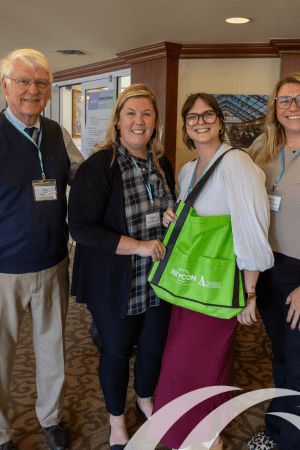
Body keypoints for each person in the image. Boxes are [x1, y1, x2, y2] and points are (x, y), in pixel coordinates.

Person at [151, 93, 274, 450]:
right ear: (186, 126)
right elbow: (192, 222)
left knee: (190, 364)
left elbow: (252, 229)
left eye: (208, 115)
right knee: (201, 361)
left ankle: (197, 438)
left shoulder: (237, 163)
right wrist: (170, 218)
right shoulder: (188, 169)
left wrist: (250, 294)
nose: (200, 121)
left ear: (220, 122)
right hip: (189, 284)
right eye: (192, 116)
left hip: (219, 287)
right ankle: (210, 432)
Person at [68, 83, 175, 450]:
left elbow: (163, 210)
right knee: (115, 350)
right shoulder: (100, 165)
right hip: (115, 281)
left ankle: (145, 400)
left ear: (156, 121)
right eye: (131, 113)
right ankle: (116, 421)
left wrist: (169, 218)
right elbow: (81, 227)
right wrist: (139, 246)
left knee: (152, 349)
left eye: (147, 113)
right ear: (117, 121)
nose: (139, 121)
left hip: (157, 277)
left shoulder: (162, 163)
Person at [0, 49, 84, 450]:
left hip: (53, 263)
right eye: (23, 81)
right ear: (5, 86)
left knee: (53, 348)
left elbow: (84, 180)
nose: (32, 90)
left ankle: (50, 418)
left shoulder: (57, 134)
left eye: (41, 82)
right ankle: (1, 432)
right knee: (1, 359)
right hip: (4, 270)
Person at [247, 73, 300, 450]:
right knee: (280, 355)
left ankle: (298, 443)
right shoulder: (263, 147)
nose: (293, 107)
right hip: (268, 267)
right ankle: (277, 428)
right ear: (274, 108)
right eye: (284, 100)